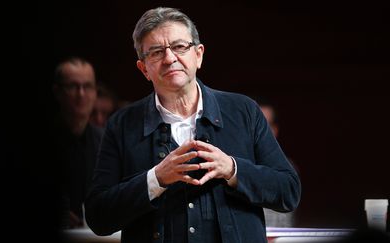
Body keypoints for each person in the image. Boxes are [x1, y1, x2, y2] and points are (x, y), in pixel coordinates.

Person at [85, 7, 301, 243]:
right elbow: (98, 216)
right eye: (156, 52)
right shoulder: (122, 124)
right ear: (144, 68)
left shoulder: (244, 111)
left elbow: (288, 191)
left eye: (179, 47)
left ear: (198, 55)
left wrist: (232, 168)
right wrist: (155, 179)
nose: (169, 58)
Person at [50, 57, 103, 229]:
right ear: (57, 92)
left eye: (87, 86)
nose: (81, 94)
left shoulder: (105, 141)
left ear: (95, 92)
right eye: (73, 86)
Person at [258, 100, 297, 227]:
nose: (259, 132)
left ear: (275, 130)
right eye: (255, 125)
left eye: (266, 126)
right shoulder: (228, 167)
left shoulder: (287, 168)